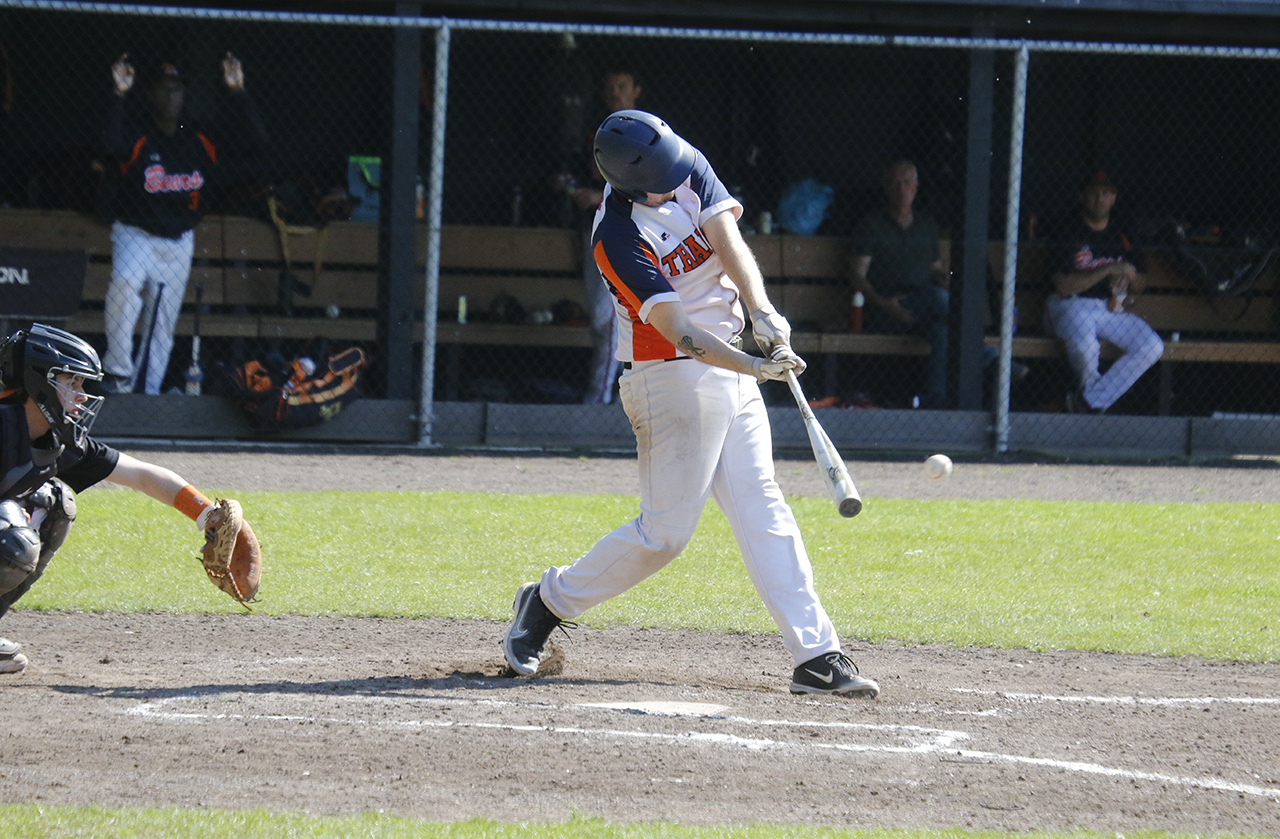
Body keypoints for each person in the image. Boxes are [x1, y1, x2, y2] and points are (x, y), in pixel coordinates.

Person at [503, 110, 880, 699]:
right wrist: (755, 366)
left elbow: (727, 238)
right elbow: (680, 333)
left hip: (727, 362)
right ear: (628, 180)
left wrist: (763, 314)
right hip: (668, 379)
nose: (674, 178)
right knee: (665, 536)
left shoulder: (679, 161)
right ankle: (548, 601)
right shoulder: (616, 237)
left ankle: (817, 653)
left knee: (765, 511)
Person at [0, 324, 256, 675]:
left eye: (82, 384)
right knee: (13, 539)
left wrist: (208, 514)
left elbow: (141, 475)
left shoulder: (58, 442)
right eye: (71, 382)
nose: (82, 395)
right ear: (38, 381)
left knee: (56, 504)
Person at [101, 53, 266, 395]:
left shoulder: (198, 136)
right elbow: (108, 145)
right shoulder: (138, 134)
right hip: (136, 233)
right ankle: (117, 371)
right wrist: (117, 95)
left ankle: (146, 395)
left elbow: (257, 143)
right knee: (125, 285)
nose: (171, 97)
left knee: (161, 325)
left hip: (178, 240)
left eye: (177, 89)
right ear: (150, 94)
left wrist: (238, 92)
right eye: (163, 89)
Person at [848, 160, 1018, 409]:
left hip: (925, 309)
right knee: (939, 299)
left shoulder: (926, 225)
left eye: (907, 182)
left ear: (916, 187)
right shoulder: (871, 225)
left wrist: (945, 278)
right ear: (885, 187)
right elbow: (857, 276)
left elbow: (937, 269)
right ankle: (990, 357)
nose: (901, 189)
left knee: (942, 328)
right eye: (895, 182)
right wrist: (886, 305)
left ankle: (935, 397)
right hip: (889, 306)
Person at [554, 68, 643, 405]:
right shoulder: (596, 132)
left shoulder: (645, 133)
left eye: (622, 87)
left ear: (636, 90)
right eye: (610, 88)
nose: (616, 94)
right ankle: (617, 398)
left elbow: (647, 190)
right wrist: (571, 185)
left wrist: (600, 197)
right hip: (594, 230)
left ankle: (600, 401)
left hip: (630, 232)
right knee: (601, 318)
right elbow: (580, 175)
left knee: (611, 323)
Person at [1044, 171, 1163, 414]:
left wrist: (1129, 274)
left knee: (1152, 346)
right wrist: (1108, 269)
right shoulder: (1066, 228)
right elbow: (1063, 285)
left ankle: (1085, 404)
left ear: (1114, 198)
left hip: (1109, 309)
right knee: (1085, 348)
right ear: (1082, 197)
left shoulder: (1123, 230)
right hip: (1069, 305)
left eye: (1107, 193)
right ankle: (1092, 405)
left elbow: (1141, 283)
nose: (1101, 199)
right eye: (1094, 194)